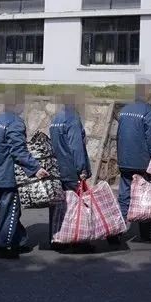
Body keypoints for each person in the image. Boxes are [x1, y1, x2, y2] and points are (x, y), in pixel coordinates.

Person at [0, 88, 49, 260]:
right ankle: (3, 246)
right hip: (6, 174)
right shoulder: (15, 123)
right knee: (11, 209)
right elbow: (18, 151)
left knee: (7, 209)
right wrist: (36, 168)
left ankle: (18, 240)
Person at [116, 79, 151, 243]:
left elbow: (119, 135)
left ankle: (117, 230)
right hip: (142, 162)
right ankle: (148, 234)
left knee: (124, 196)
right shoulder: (149, 112)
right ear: (148, 92)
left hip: (124, 160)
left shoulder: (124, 110)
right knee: (147, 197)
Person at [48, 91, 99, 251]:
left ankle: (57, 239)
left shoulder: (56, 119)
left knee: (58, 206)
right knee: (77, 205)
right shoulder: (72, 119)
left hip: (57, 168)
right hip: (71, 169)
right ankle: (78, 241)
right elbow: (76, 146)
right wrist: (81, 169)